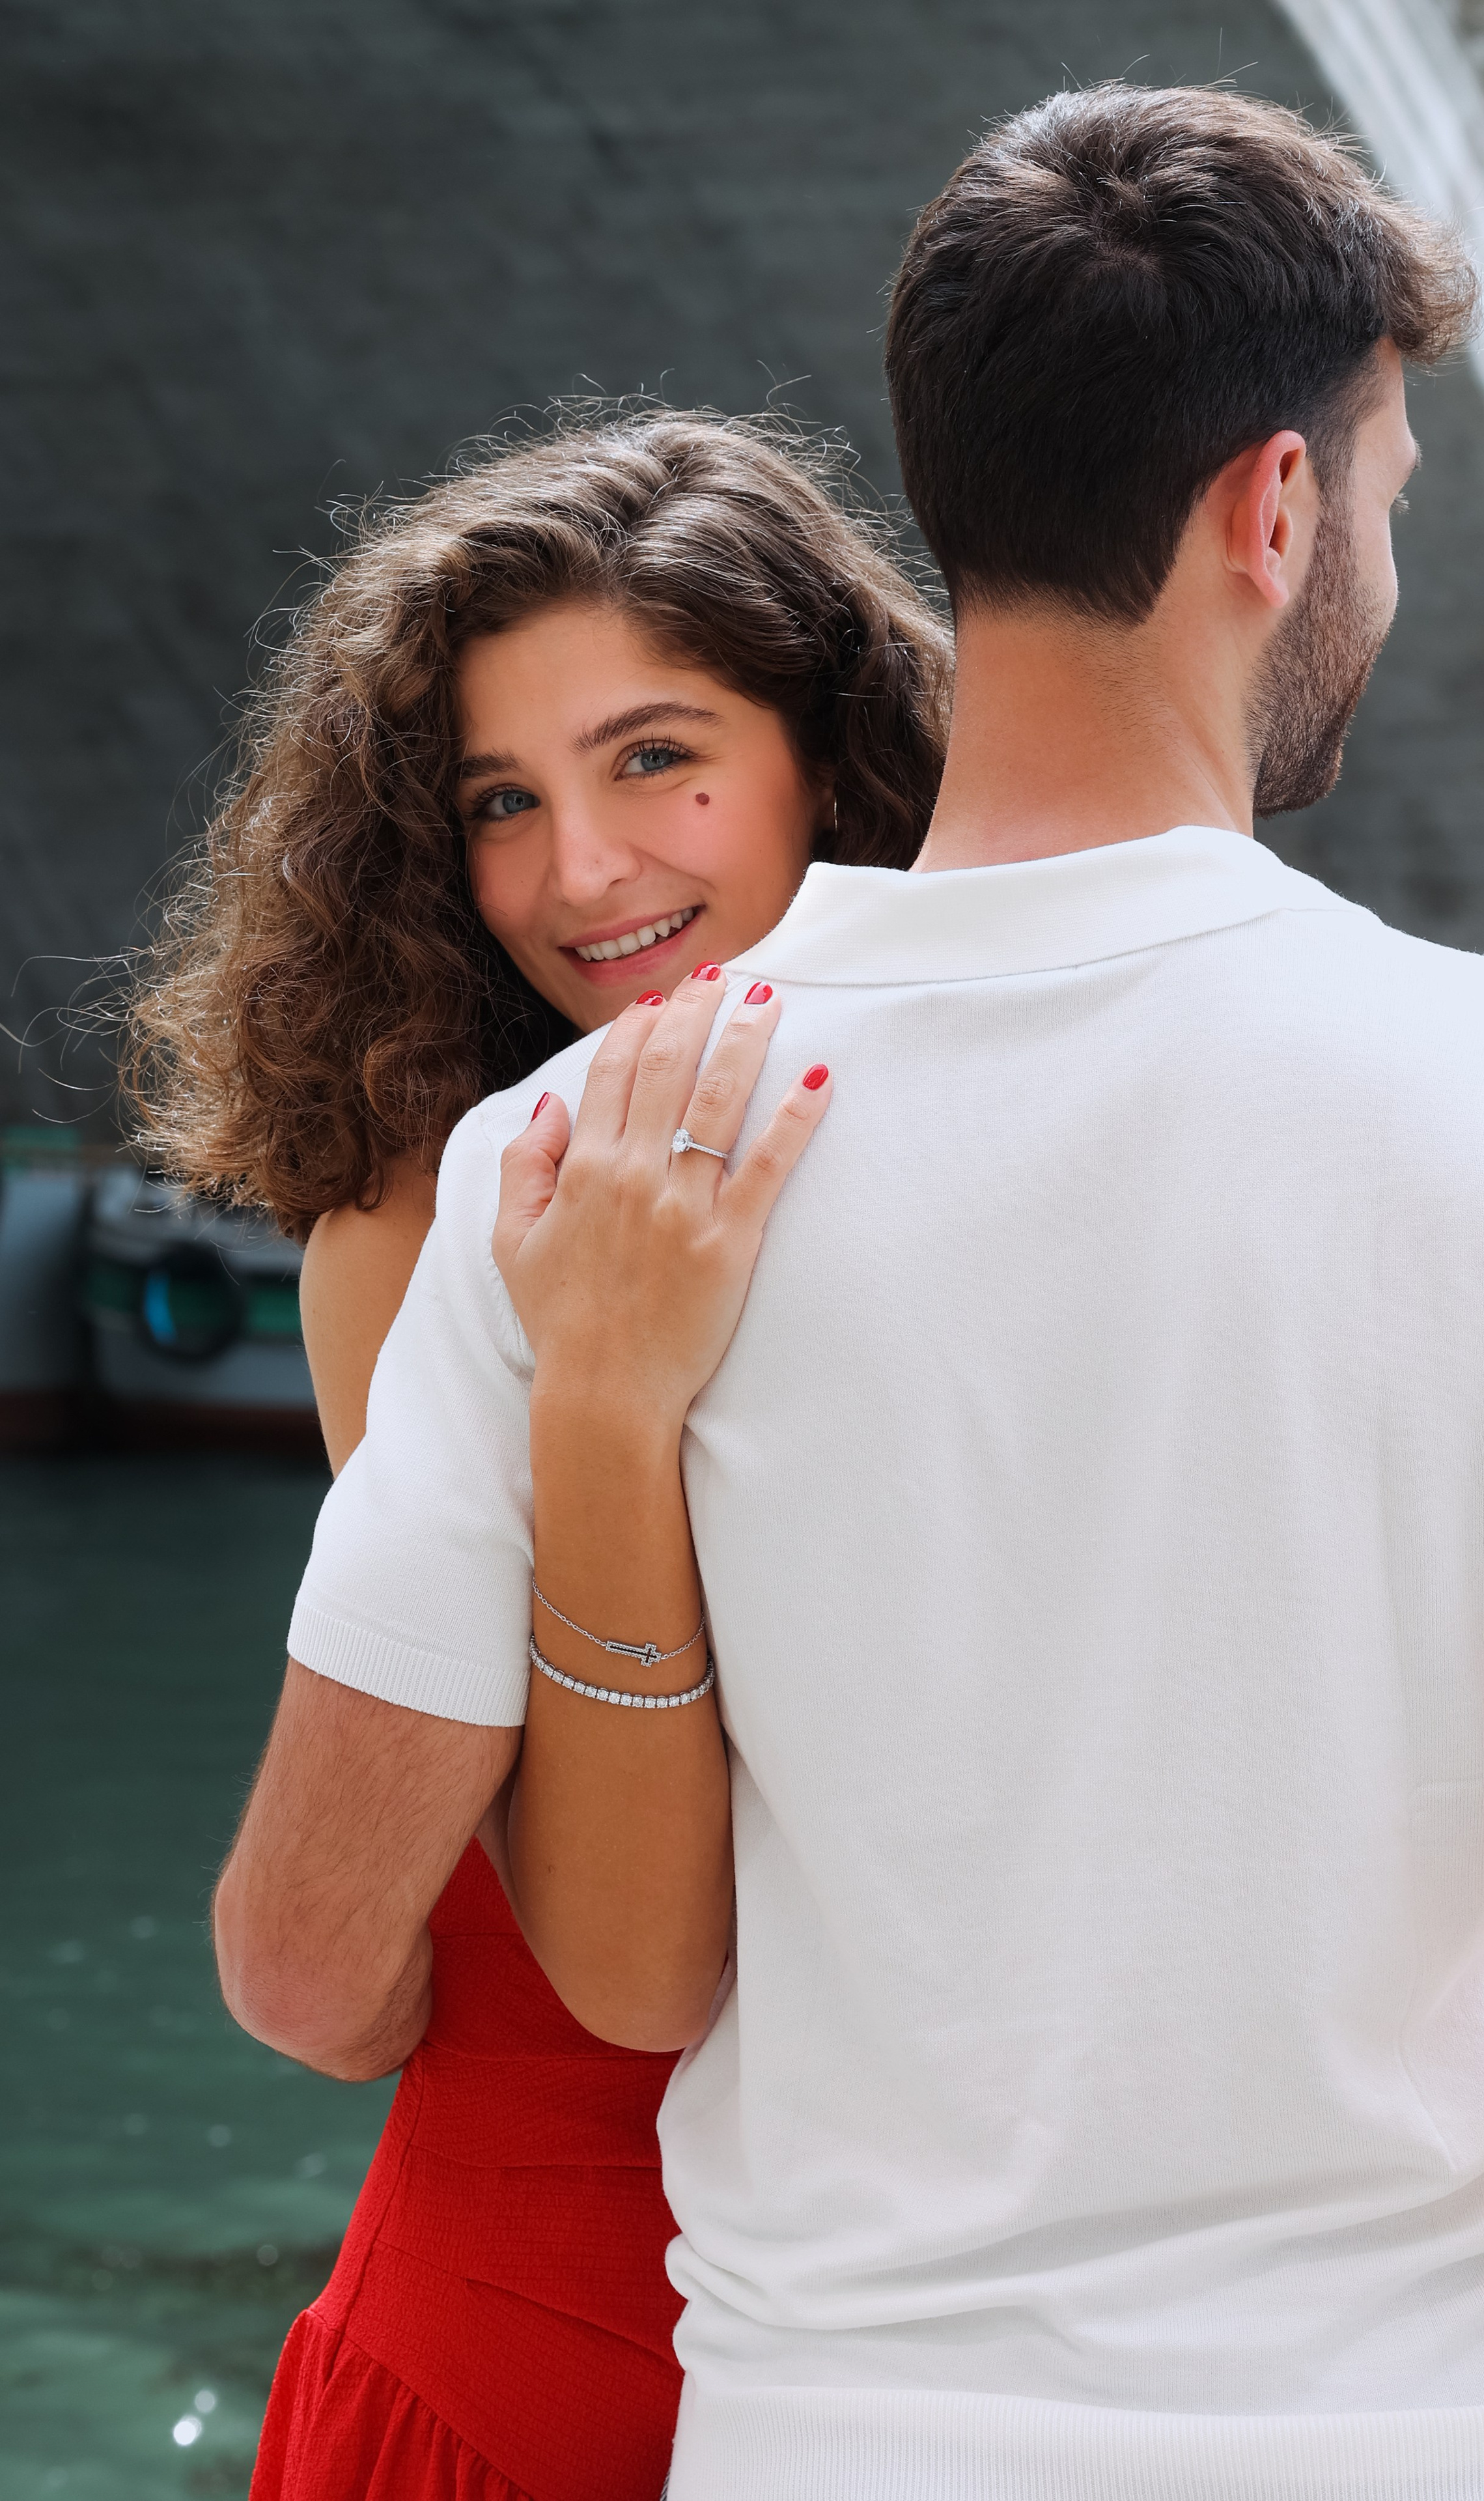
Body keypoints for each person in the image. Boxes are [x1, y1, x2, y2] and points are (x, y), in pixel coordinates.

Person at [280, 78, 1484, 2501]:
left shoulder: (559, 1174)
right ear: (1274, 507)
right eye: (1388, 504)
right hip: (1482, 2437)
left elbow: (507, 1969)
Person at [125, 411, 950, 2500]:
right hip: (535, 2339)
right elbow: (426, 1954)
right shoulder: (417, 1232)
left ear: (832, 762)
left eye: (656, 756)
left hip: (929, 2347)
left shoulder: (987, 1165)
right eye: (507, 800)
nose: (581, 870)